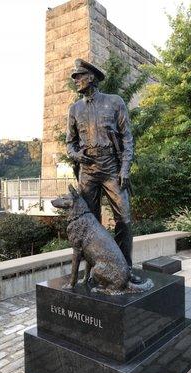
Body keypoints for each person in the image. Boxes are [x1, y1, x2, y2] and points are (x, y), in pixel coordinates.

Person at [66, 58, 141, 284]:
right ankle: (92, 271)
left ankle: (125, 269)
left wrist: (125, 168)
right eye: (75, 77)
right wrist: (77, 155)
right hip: (87, 171)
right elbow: (70, 144)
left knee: (124, 219)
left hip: (111, 168)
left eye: (79, 76)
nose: (76, 80)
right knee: (91, 223)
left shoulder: (114, 102)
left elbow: (127, 138)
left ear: (91, 78)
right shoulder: (75, 109)